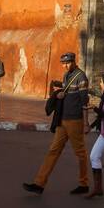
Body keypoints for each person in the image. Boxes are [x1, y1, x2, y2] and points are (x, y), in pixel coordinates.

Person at [22, 52, 90, 196]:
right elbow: (66, 93)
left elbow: (84, 102)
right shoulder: (66, 76)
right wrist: (60, 95)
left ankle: (84, 183)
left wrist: (86, 123)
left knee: (80, 153)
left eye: (68, 63)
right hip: (62, 120)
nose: (65, 66)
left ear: (74, 61)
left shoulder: (81, 77)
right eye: (63, 63)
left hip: (75, 120)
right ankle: (39, 184)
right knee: (53, 150)